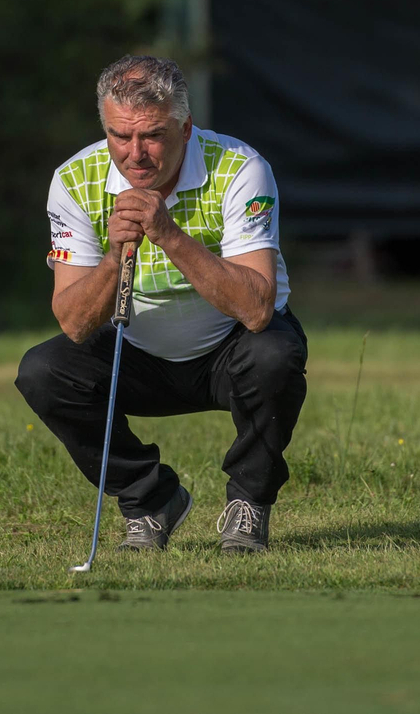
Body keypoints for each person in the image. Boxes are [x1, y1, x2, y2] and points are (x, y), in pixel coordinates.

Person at [16, 55, 308, 553]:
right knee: (42, 371)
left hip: (230, 347)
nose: (136, 154)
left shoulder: (240, 168)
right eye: (119, 136)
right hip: (137, 351)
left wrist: (168, 234)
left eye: (153, 135)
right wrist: (114, 257)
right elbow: (75, 323)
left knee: (275, 354)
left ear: (185, 128)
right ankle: (150, 500)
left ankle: (248, 504)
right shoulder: (74, 180)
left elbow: (257, 309)